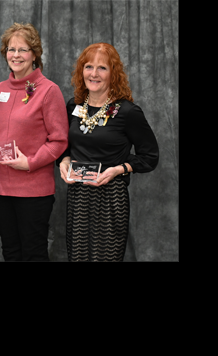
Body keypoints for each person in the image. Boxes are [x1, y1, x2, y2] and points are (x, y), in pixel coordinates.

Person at [58, 42, 159, 262]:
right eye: (89, 66)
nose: (94, 74)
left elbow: (150, 157)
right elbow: (63, 144)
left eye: (102, 68)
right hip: (78, 196)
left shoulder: (128, 112)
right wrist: (63, 160)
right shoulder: (73, 106)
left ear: (113, 74)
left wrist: (119, 169)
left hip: (110, 198)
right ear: (81, 70)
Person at [0, 22, 68, 261]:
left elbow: (59, 140)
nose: (16, 55)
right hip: (1, 187)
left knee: (33, 253)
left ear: (34, 54)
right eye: (11, 49)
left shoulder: (49, 91)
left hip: (34, 190)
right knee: (10, 251)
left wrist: (29, 163)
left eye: (23, 49)